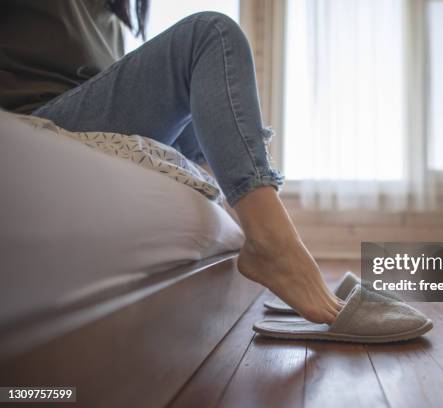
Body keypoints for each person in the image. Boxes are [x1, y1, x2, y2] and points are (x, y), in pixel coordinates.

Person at [0, 0, 342, 324]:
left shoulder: (117, 17)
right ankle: (274, 246)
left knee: (206, 113)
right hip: (35, 117)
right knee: (211, 33)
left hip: (80, 116)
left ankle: (277, 238)